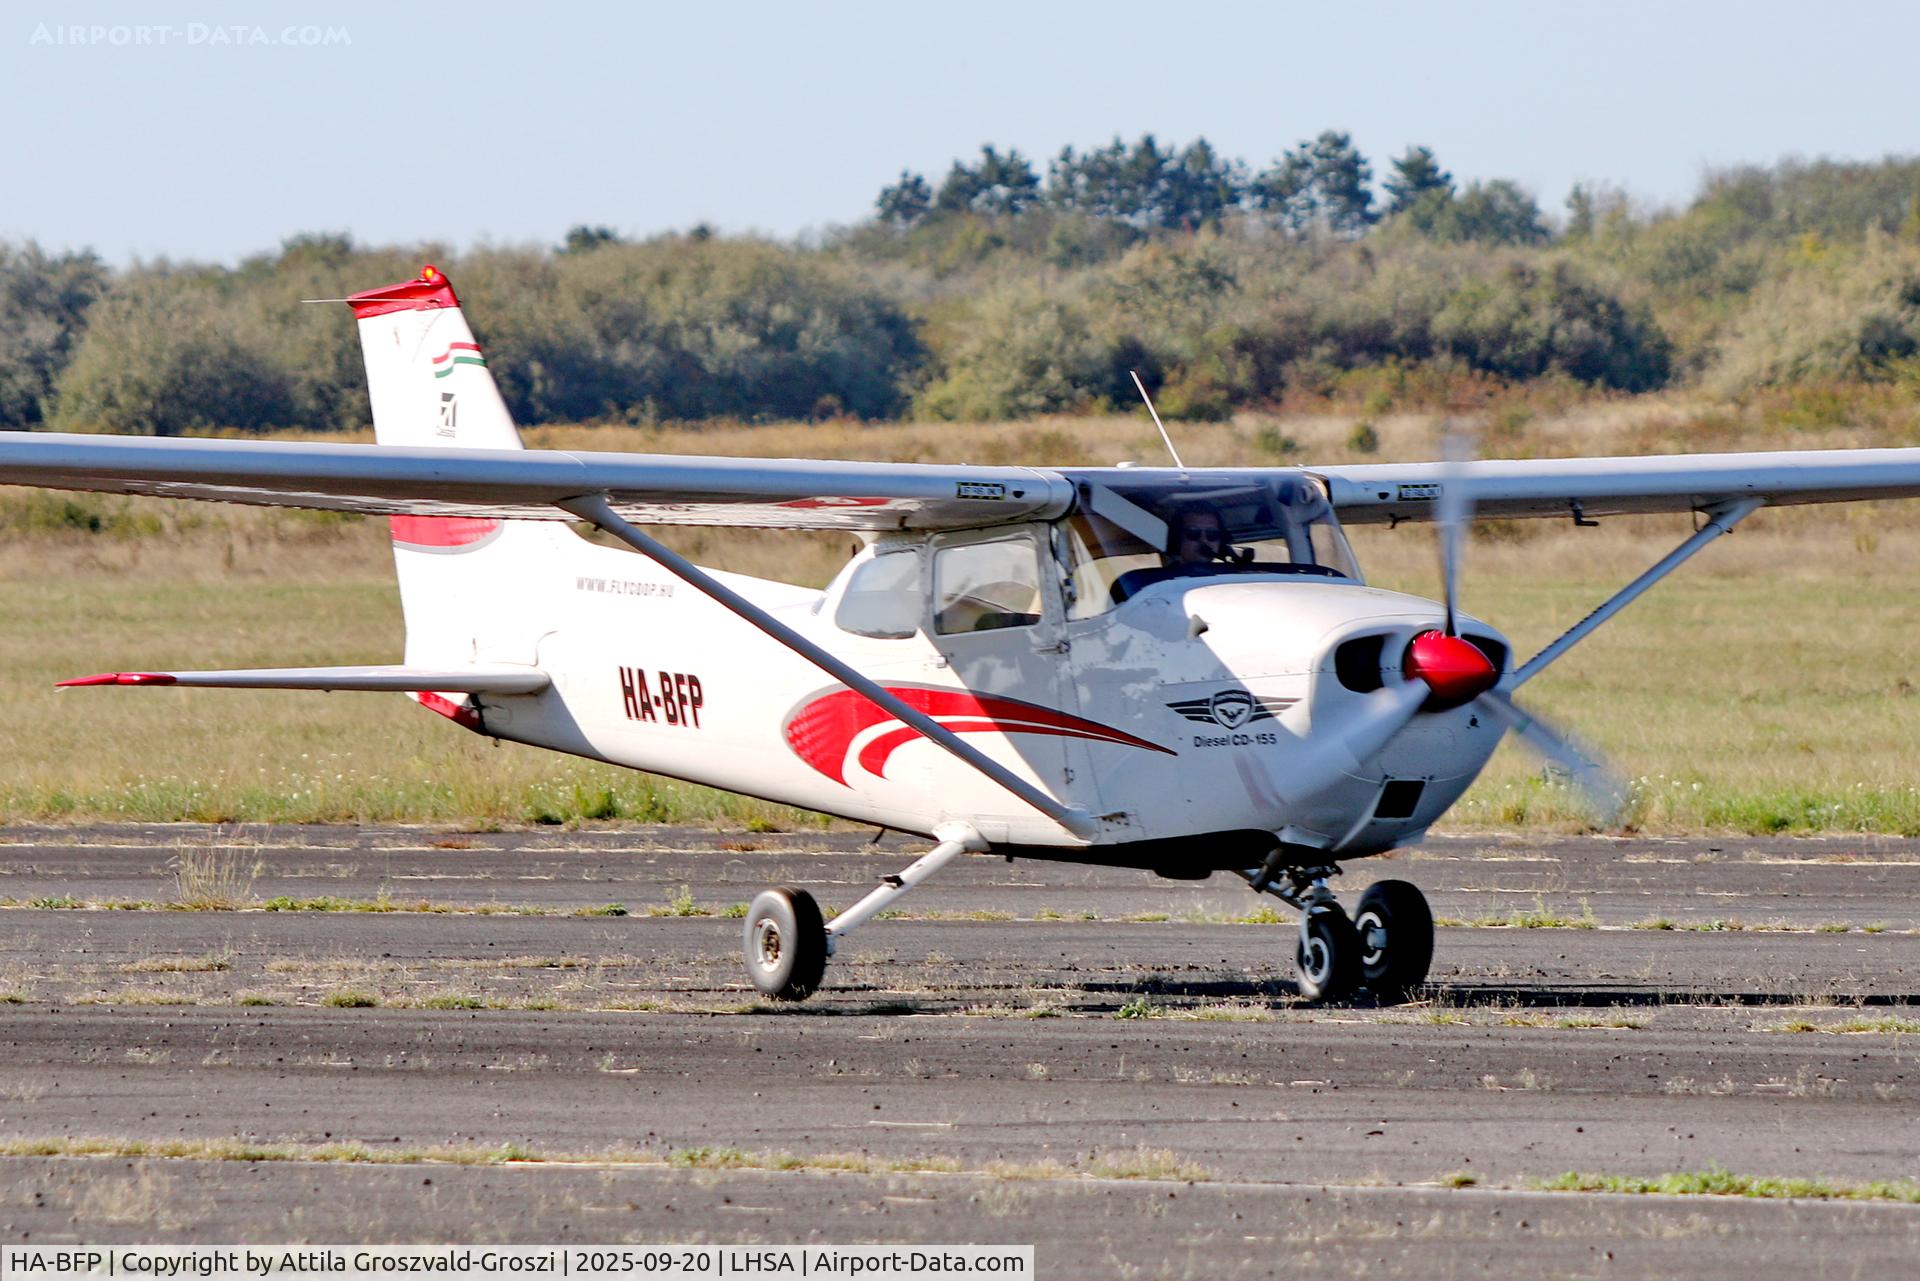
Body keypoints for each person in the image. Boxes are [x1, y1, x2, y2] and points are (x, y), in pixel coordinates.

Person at [1166, 507, 1230, 568]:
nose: (1204, 540)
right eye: (1193, 533)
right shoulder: (1163, 578)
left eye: (1212, 533)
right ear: (1177, 539)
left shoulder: (1233, 574)